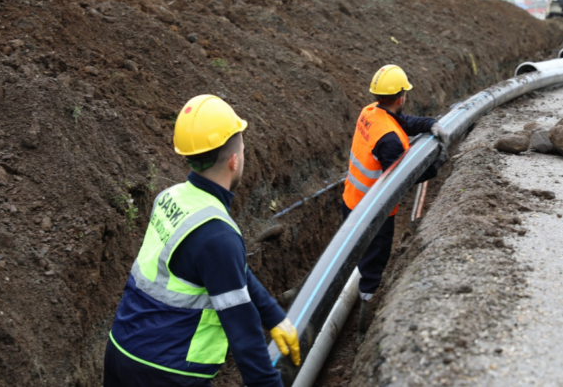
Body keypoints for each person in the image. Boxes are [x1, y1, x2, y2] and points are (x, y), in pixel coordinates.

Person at [104, 95, 300, 387]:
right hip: (167, 373)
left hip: (121, 352)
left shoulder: (169, 198)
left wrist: (273, 316)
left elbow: (229, 272)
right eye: (243, 150)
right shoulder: (218, 236)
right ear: (234, 161)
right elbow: (243, 333)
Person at [343, 65, 450, 334]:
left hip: (352, 199)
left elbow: (405, 122)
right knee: (374, 262)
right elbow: (403, 179)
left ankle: (343, 288)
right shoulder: (390, 141)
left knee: (352, 250)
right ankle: (365, 310)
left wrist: (430, 124)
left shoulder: (371, 113)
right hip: (375, 212)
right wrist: (436, 165)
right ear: (401, 96)